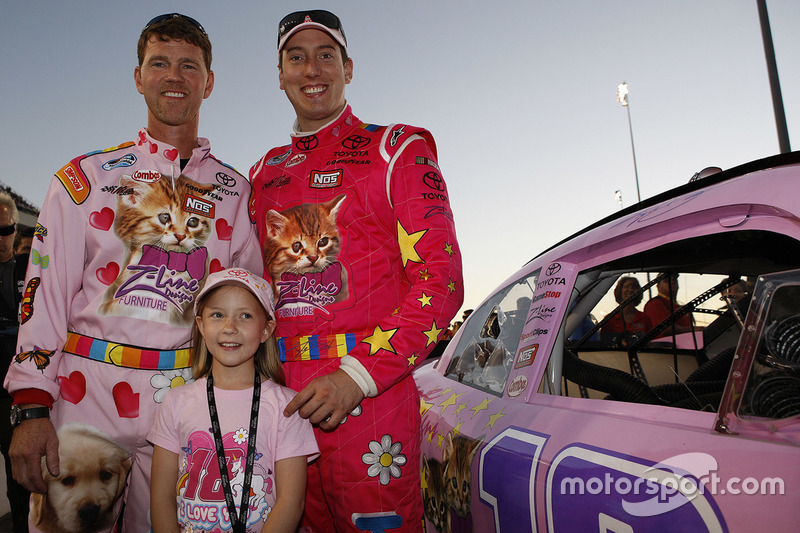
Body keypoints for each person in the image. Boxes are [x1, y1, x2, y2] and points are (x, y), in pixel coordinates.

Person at [4, 13, 263, 531]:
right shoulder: (84, 178)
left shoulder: (237, 192)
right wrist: (30, 408)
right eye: (159, 63)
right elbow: (44, 295)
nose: (174, 76)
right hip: (85, 396)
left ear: (208, 82)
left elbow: (252, 300)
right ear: (138, 77)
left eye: (189, 66)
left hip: (189, 397)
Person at [249, 10, 463, 531]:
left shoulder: (396, 149)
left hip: (372, 396)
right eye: (296, 57)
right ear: (280, 74)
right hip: (282, 402)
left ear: (348, 67)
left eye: (326, 55)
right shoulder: (261, 175)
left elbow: (443, 283)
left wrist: (355, 378)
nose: (311, 68)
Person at [149, 268, 318, 532]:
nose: (230, 328)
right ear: (201, 325)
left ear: (266, 330)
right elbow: (161, 498)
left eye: (245, 316)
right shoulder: (175, 401)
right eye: (218, 315)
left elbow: (291, 502)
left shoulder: (286, 407)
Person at [0, 193, 31, 532]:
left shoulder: (31, 266)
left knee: (20, 479)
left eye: (6, 230)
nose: (0, 239)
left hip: (20, 394)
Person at [601, 276, 653, 346]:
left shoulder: (645, 318)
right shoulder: (609, 320)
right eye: (626, 287)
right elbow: (604, 344)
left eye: (634, 287)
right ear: (619, 291)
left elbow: (651, 343)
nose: (630, 290)